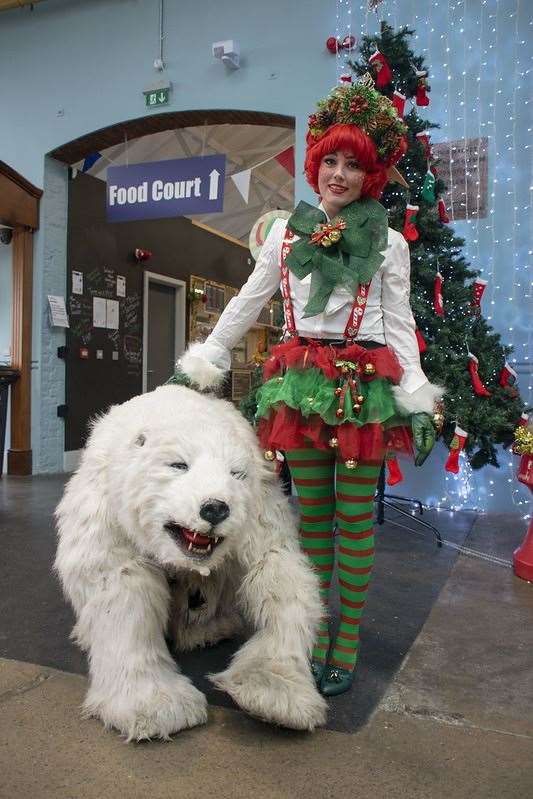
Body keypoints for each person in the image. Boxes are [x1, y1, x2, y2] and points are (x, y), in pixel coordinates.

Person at [176, 76, 442, 696]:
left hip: (358, 391)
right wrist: (206, 357)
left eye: (353, 165)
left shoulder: (389, 245)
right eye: (331, 161)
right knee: (310, 524)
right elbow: (248, 301)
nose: (338, 174)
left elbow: (400, 326)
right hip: (298, 388)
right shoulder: (284, 235)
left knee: (353, 524)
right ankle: (315, 635)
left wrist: (419, 392)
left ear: (369, 177)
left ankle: (345, 643)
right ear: (316, 166)